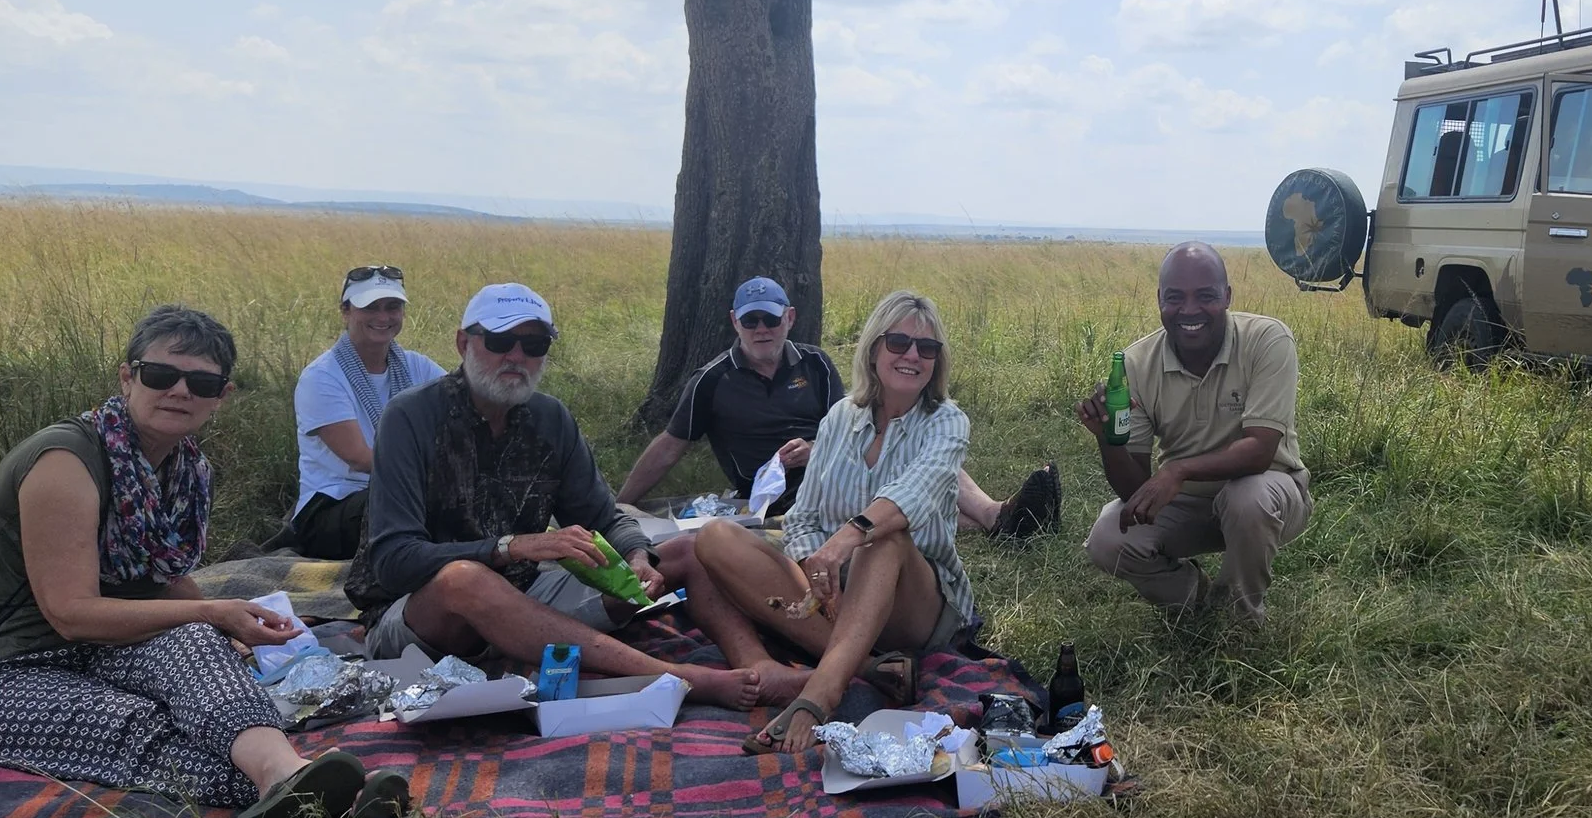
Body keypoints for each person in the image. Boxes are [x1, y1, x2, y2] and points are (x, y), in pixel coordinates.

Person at [0, 306, 409, 818]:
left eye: (201, 382)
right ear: (128, 377)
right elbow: (70, 614)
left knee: (196, 646)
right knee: (133, 722)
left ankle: (286, 774)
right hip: (1, 668)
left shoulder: (186, 468)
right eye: (161, 375)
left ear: (222, 395)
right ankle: (326, 793)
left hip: (103, 649)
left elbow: (165, 579)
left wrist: (227, 629)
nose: (179, 392)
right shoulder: (65, 461)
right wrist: (212, 610)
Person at [340, 283, 764, 707]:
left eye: (533, 344)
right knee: (464, 578)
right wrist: (511, 548)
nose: (516, 356)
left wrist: (636, 556)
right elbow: (394, 561)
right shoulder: (410, 418)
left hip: (524, 597)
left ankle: (759, 670)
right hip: (422, 616)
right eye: (501, 340)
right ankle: (677, 677)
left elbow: (605, 517)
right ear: (462, 343)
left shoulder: (549, 419)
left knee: (687, 550)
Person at [693, 290, 976, 752]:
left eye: (927, 349)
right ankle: (865, 667)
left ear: (937, 362)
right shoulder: (840, 419)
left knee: (883, 538)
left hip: (915, 601)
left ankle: (820, 692)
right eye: (899, 343)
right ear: (873, 348)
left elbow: (912, 495)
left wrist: (845, 540)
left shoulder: (947, 422)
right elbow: (803, 516)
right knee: (715, 537)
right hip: (837, 593)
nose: (912, 356)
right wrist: (814, 566)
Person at [618, 276, 1060, 538]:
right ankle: (1000, 520)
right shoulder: (711, 381)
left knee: (909, 447)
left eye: (770, 318)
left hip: (838, 461)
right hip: (777, 495)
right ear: (735, 322)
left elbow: (855, 421)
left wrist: (819, 448)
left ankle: (995, 514)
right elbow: (669, 447)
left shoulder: (815, 362)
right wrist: (619, 507)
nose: (761, 329)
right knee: (893, 490)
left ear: (788, 318)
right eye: (750, 320)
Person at [1080, 243, 1311, 622]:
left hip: (1270, 493)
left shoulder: (1268, 340)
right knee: (1108, 538)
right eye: (1175, 298)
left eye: (1205, 296)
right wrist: (1107, 439)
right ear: (1159, 300)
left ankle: (1241, 620)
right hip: (1188, 503)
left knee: (1247, 497)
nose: (1189, 310)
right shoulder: (1137, 364)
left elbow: (1260, 451)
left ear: (1227, 297)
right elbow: (1133, 491)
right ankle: (1202, 602)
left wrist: (1177, 471)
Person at [282, 264, 449, 560]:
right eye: (370, 307)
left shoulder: (416, 366)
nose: (382, 317)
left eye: (392, 307)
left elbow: (467, 406)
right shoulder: (321, 377)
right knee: (424, 505)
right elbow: (360, 459)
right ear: (346, 311)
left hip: (400, 493)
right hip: (332, 508)